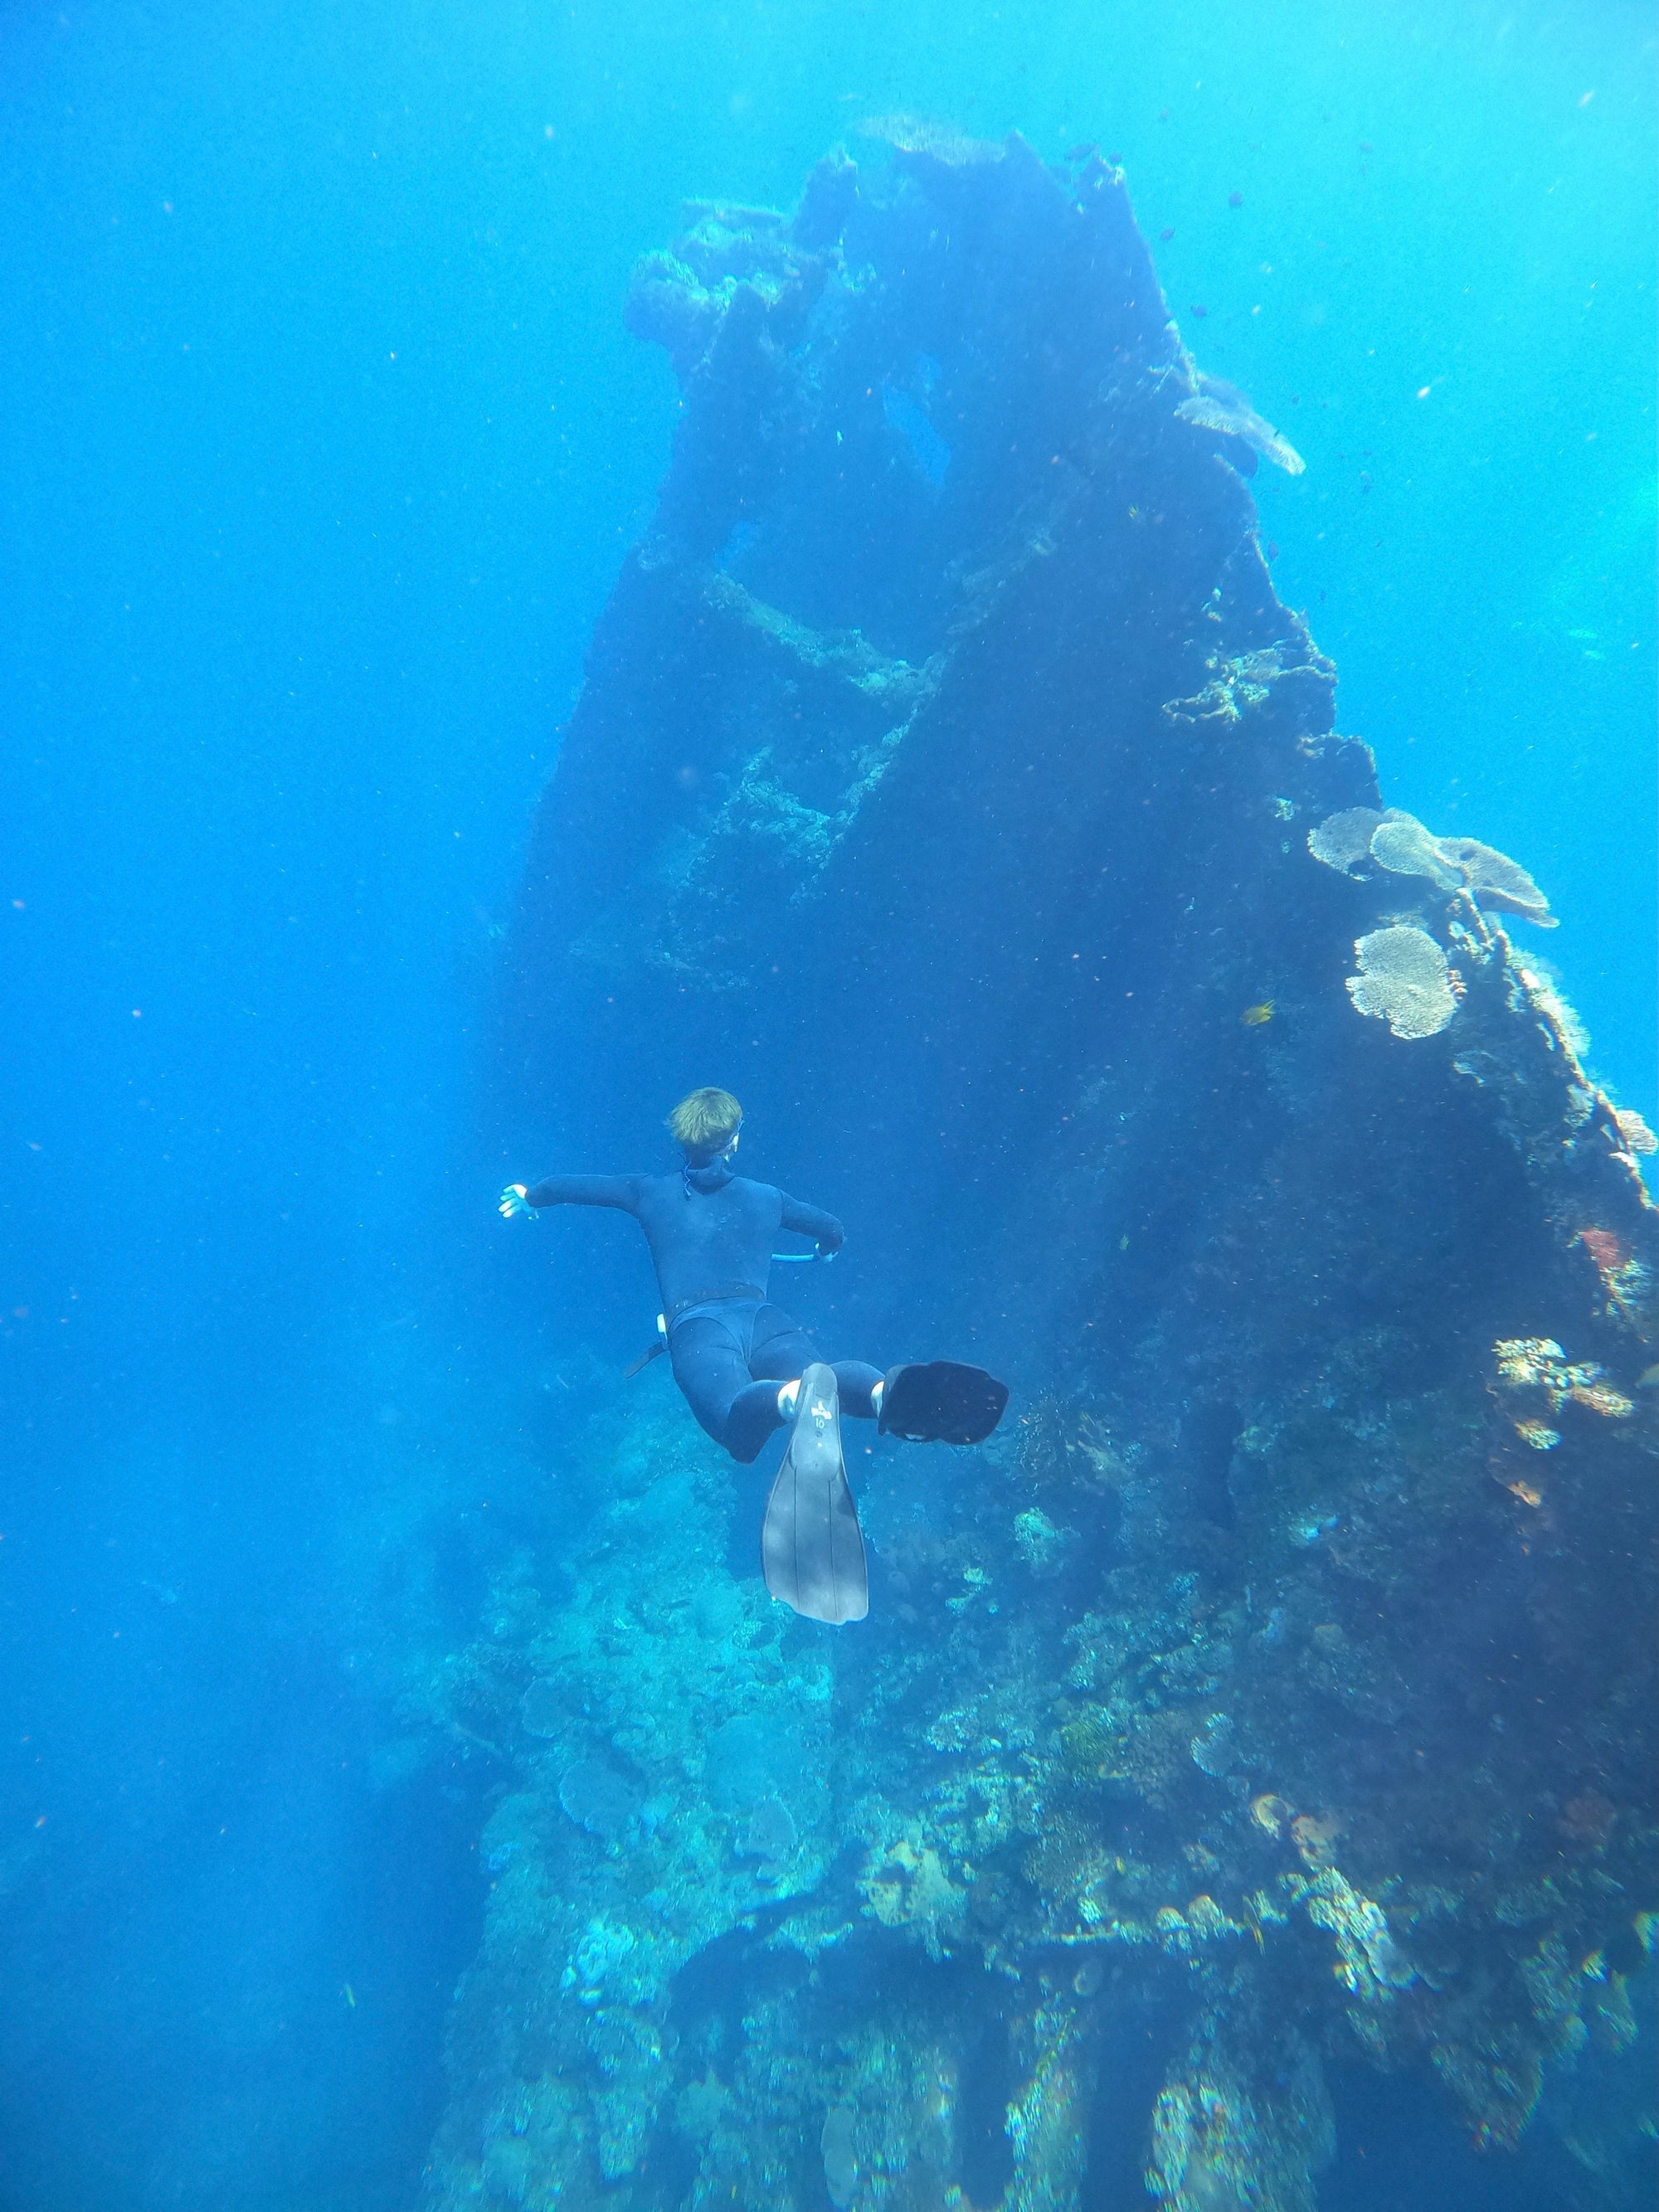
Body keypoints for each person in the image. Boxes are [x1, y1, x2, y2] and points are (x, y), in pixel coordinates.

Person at [499, 1087, 1006, 1624]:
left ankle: (789, 1400)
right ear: (734, 1140)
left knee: (734, 1426)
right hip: (765, 1319)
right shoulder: (767, 1196)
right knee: (827, 1379)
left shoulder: (647, 1191)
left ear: (681, 1139)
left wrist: (531, 1195)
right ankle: (883, 1392)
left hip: (700, 1328)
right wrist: (827, 1247)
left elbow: (573, 1187)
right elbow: (831, 1227)